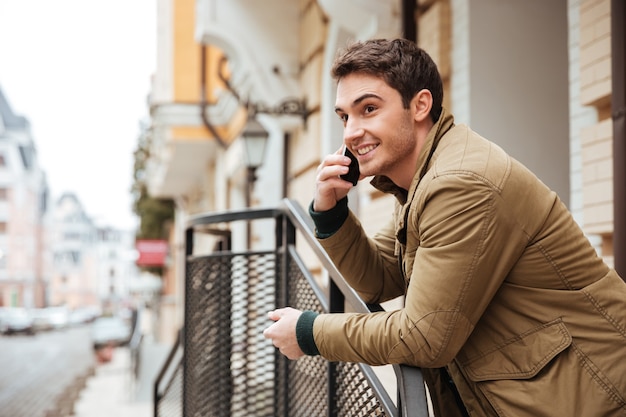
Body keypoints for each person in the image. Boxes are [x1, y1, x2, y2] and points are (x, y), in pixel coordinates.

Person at [262, 38, 626, 417]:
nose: (351, 132)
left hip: (594, 400)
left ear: (420, 105)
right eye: (344, 116)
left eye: (368, 109)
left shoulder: (460, 182)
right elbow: (380, 279)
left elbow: (423, 336)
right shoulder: (423, 180)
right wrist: (331, 211)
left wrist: (310, 332)